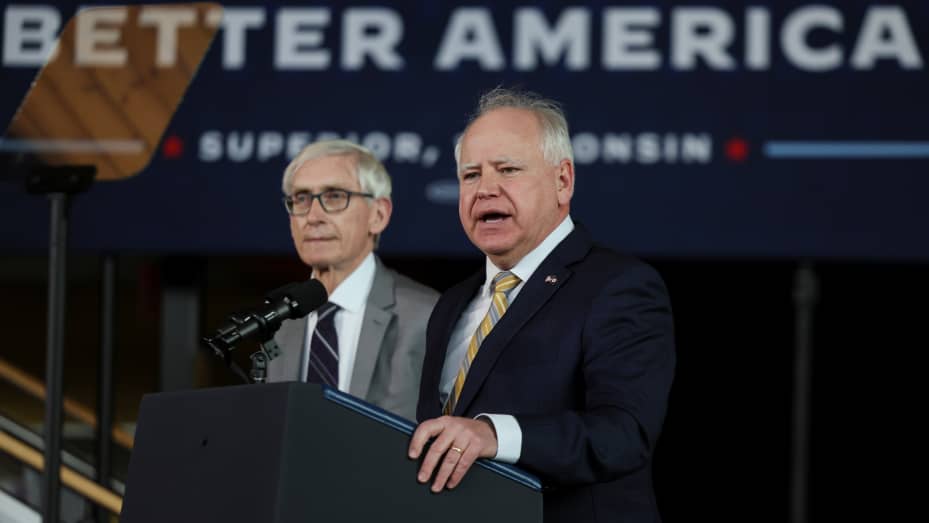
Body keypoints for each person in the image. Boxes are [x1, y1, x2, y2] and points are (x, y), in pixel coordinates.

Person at [408, 88, 675, 522]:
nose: (485, 189)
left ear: (563, 181)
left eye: (508, 170)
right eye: (470, 175)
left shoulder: (620, 286)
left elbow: (624, 435)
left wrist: (494, 434)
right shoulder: (453, 303)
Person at [267, 139, 438, 421]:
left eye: (334, 196)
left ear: (379, 214)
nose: (312, 216)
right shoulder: (280, 323)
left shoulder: (426, 317)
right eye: (301, 199)